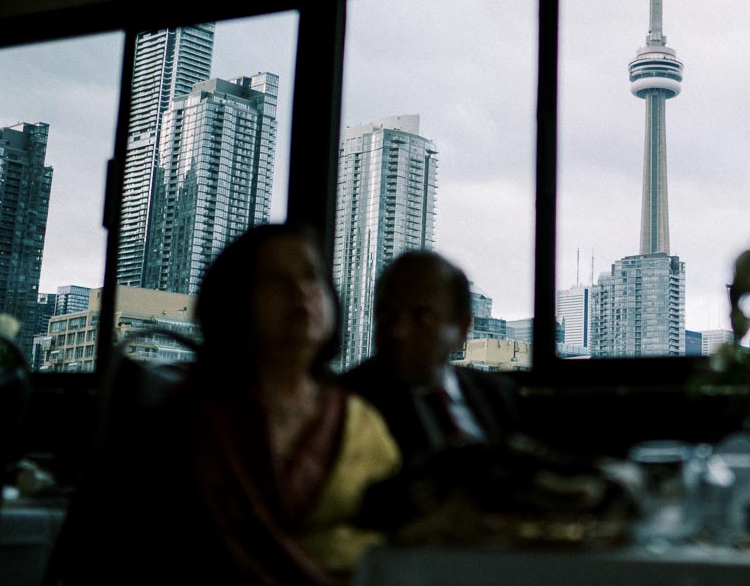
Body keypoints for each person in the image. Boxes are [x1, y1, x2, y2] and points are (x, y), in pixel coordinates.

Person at [74, 223, 400, 586]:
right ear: (234, 300)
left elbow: (394, 528)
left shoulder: (359, 420)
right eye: (275, 279)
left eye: (312, 276)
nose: (300, 292)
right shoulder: (191, 418)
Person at [339, 250, 520, 466]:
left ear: (462, 329)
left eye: (421, 316)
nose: (399, 332)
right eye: (387, 314)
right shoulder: (347, 404)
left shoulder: (498, 394)